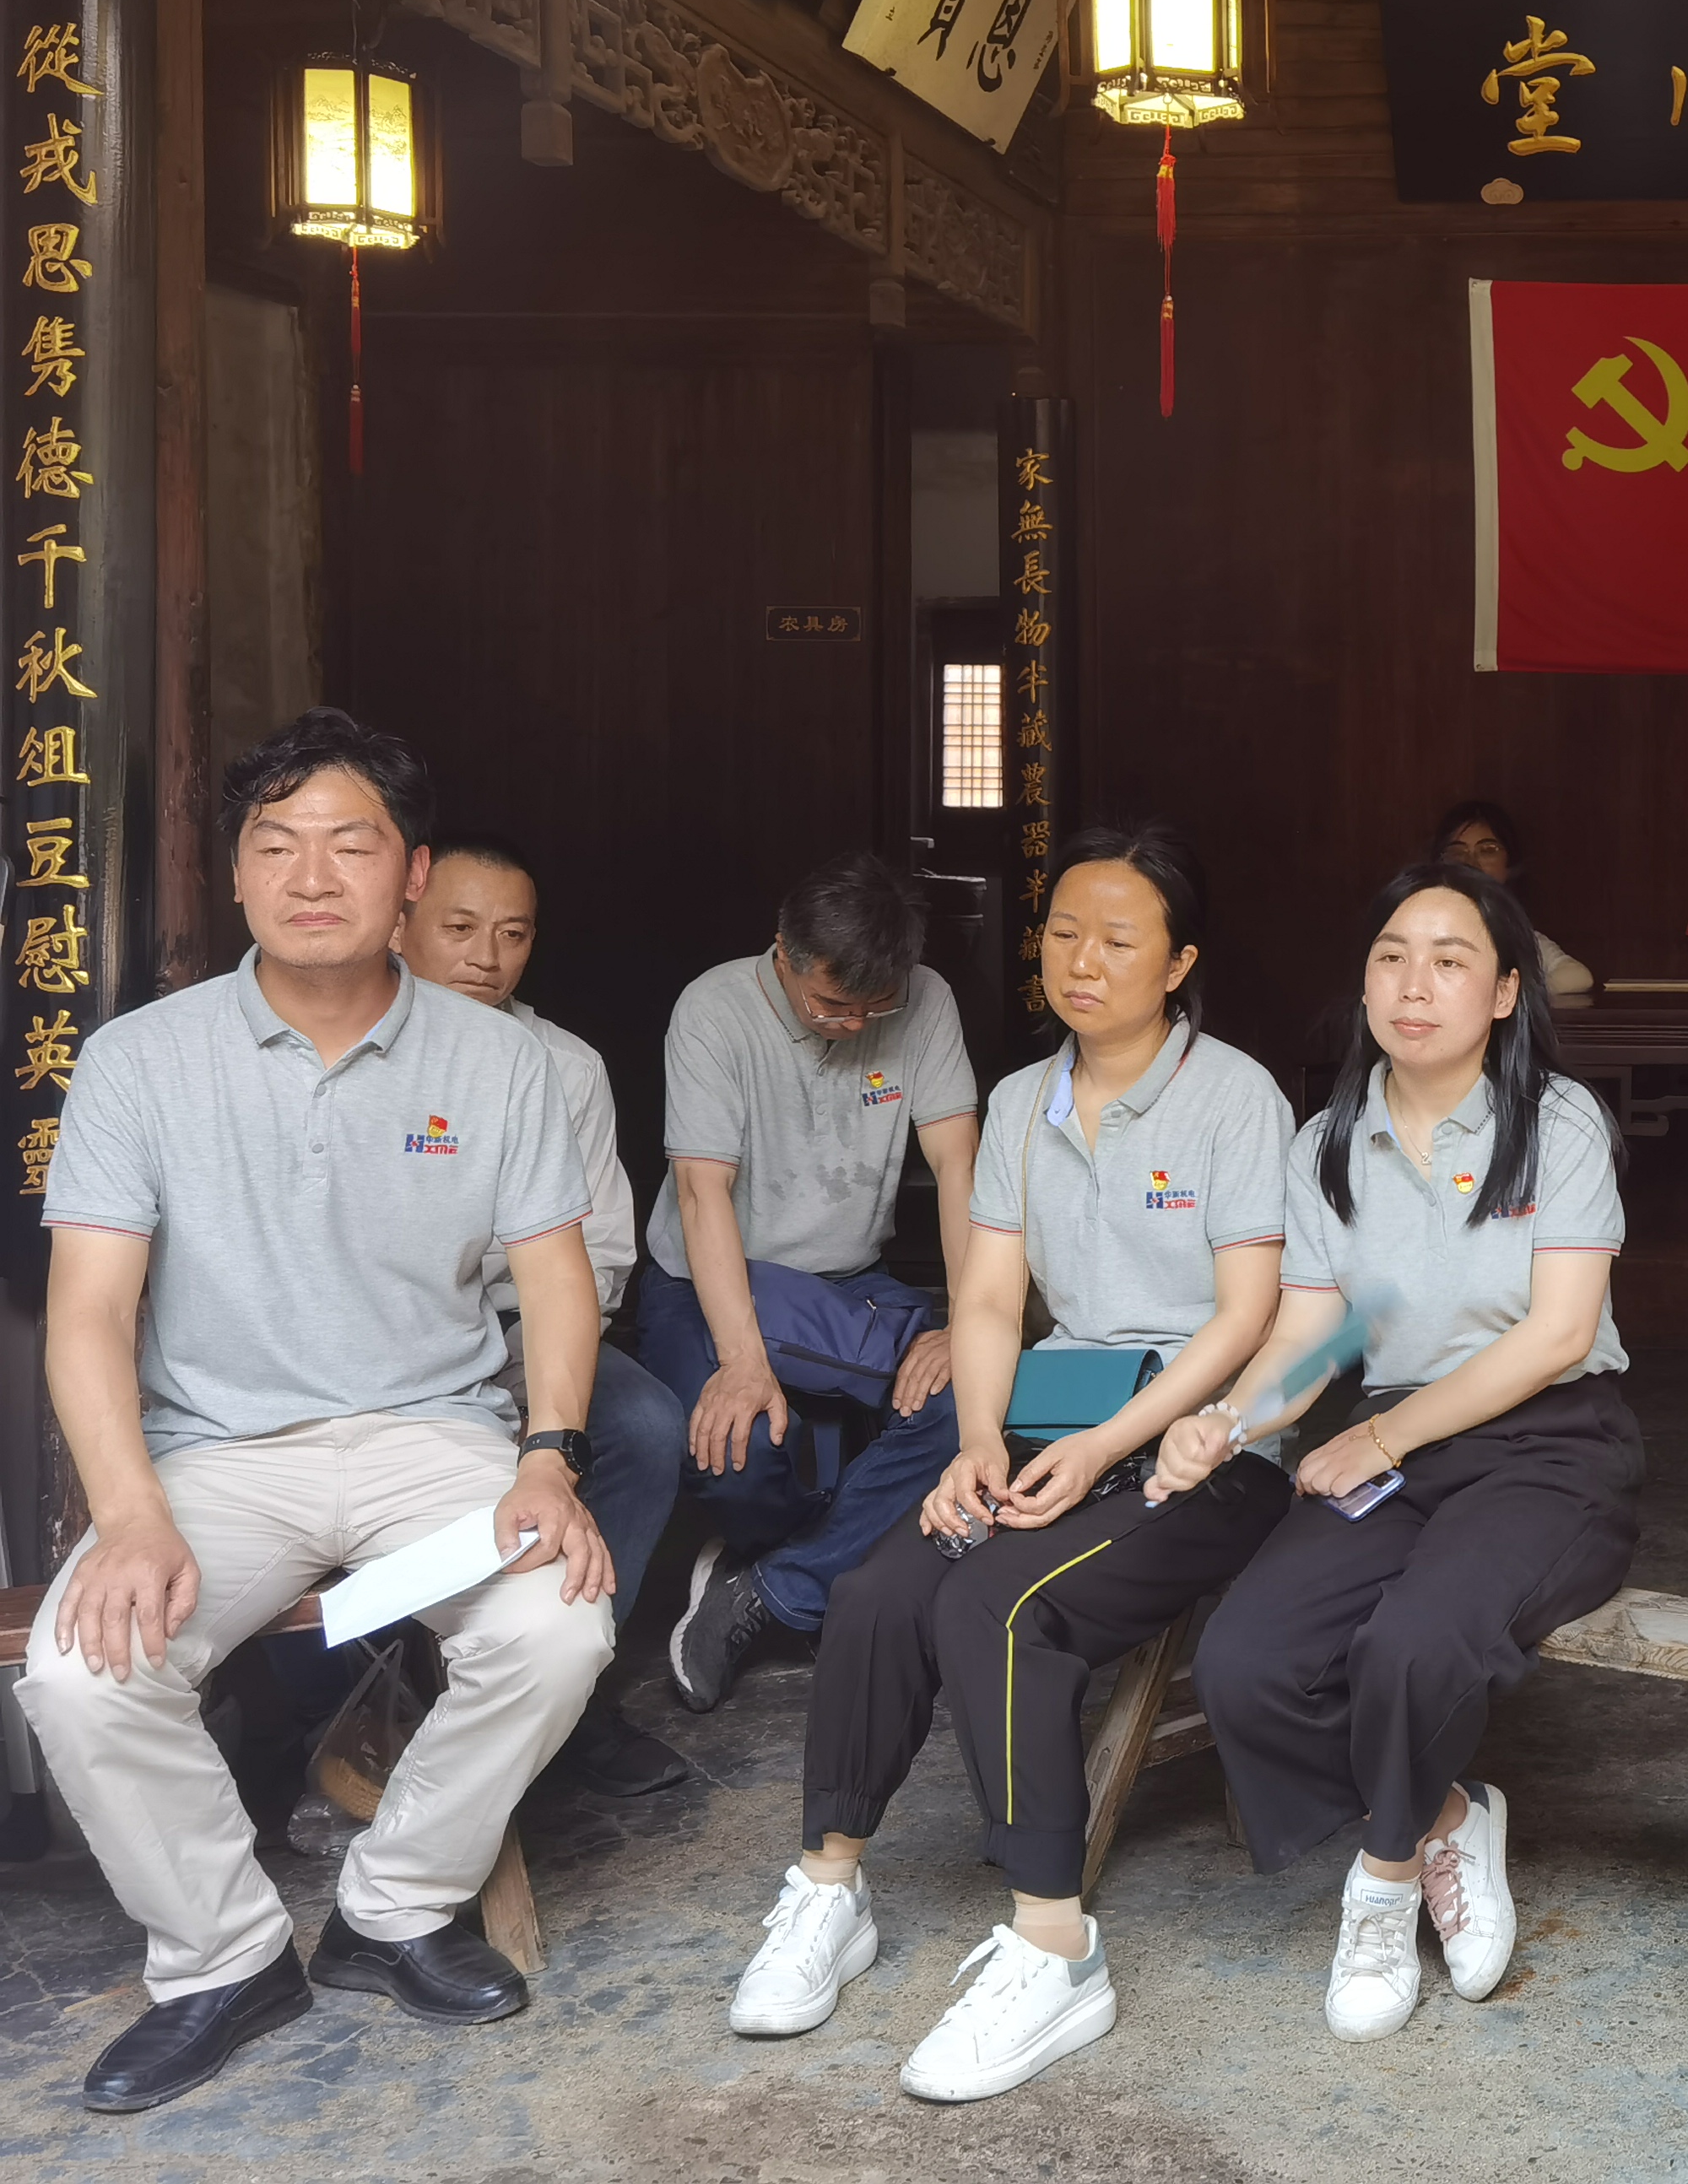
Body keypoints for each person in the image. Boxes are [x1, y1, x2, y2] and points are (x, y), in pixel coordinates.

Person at [15, 711, 614, 2111]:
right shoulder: (139, 1060)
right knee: (82, 1671)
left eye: (351, 843)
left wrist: (548, 1459)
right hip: (218, 1456)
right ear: (235, 874)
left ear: (411, 872)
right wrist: (131, 1513)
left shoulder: (500, 1062)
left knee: (556, 1624)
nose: (311, 875)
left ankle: (391, 1909)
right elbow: (88, 1312)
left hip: (435, 1442)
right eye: (276, 844)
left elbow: (559, 1285)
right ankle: (223, 1959)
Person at [725, 821, 1296, 2100]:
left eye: (1119, 941)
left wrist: (1103, 1448)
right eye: (1064, 933)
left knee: (994, 1602)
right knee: (880, 1592)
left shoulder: (1234, 1098)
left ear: (1179, 964)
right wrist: (978, 1441)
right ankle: (828, 1889)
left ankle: (1054, 1947)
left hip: (1207, 1446)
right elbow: (987, 1299)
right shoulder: (1025, 1102)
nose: (1081, 961)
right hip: (1049, 1423)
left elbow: (1246, 1318)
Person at [1184, 860, 1638, 2045]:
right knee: (1243, 1662)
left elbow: (1560, 1334)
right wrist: (1228, 1421)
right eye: (1391, 957)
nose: (1413, 984)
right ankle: (1445, 1816)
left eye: (1449, 960)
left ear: (1505, 992)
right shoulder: (1329, 1142)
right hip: (1397, 1442)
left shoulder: (1557, 1123)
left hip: (1549, 1445)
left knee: (1415, 1643)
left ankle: (1382, 1888)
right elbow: (1307, 1334)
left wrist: (1381, 1433)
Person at [636, 853, 981, 1713]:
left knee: (976, 1397)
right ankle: (826, 1564)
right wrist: (742, 1362)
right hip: (715, 1281)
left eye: (875, 1007)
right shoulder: (715, 1010)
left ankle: (769, 1588)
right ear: (783, 953)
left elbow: (958, 1166)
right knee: (736, 1450)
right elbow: (701, 1192)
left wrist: (966, 1326)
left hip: (849, 1283)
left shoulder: (927, 1000)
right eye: (831, 1004)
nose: (853, 1024)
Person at [403, 834, 689, 1797]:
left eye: (512, 934)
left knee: (645, 1426)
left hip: (525, 1326)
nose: (486, 956)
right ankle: (356, 1717)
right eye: (460, 927)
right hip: (395, 1340)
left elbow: (601, 1252)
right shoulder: (361, 1047)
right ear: (400, 922)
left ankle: (575, 1694)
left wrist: (532, 1356)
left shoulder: (563, 1065)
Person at [1431, 801, 1593, 1000]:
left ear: (1510, 864)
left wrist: (1510, 995)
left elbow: (1579, 976)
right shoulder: (1425, 931)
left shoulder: (1518, 936)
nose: (1470, 863)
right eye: (1457, 853)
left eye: (1487, 850)